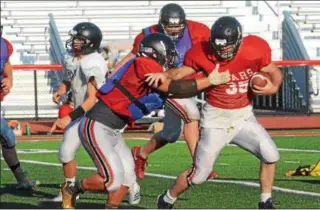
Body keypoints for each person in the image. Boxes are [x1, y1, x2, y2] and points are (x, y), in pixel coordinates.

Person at [59, 32, 230, 209]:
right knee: (112, 181)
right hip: (97, 124)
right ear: (156, 52)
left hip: (114, 129)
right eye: (168, 54)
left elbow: (180, 90)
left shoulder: (150, 69)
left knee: (128, 178)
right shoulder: (143, 63)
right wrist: (208, 81)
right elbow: (173, 87)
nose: (170, 59)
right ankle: (72, 189)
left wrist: (209, 82)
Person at [148, 16, 282, 209]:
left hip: (243, 116)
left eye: (227, 47)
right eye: (219, 47)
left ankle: (265, 201)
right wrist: (164, 74)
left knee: (271, 155)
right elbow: (179, 73)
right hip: (215, 119)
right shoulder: (201, 52)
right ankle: (167, 198)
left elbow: (274, 71)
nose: (223, 52)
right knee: (199, 176)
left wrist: (274, 87)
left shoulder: (255, 48)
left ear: (238, 41)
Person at [117, 3, 217, 181]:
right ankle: (200, 165)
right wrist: (116, 70)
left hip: (186, 84)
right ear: (161, 24)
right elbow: (134, 55)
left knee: (170, 134)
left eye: (177, 26)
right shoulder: (148, 35)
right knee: (191, 114)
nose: (174, 30)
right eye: (170, 26)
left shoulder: (198, 31)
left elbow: (210, 52)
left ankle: (140, 153)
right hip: (162, 85)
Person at [50, 22, 141, 207]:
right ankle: (69, 189)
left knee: (118, 163)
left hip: (99, 116)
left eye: (78, 40)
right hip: (83, 113)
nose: (73, 42)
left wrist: (69, 116)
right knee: (66, 152)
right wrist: (61, 89)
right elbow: (69, 78)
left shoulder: (93, 62)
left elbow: (92, 99)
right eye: (74, 38)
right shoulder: (73, 58)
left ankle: (131, 184)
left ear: (89, 43)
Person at [0, 25, 40, 190]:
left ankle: (21, 179)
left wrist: (9, 80)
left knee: (8, 137)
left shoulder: (3, 45)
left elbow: (6, 64)